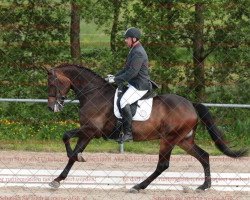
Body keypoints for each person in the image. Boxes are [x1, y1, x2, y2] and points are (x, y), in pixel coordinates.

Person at [106, 27, 152, 142]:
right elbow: (126, 69)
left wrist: (116, 80)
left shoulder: (138, 53)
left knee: (124, 101)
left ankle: (128, 133)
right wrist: (115, 77)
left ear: (134, 39)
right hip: (134, 84)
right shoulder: (134, 50)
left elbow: (132, 72)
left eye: (127, 38)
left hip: (139, 86)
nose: (125, 41)